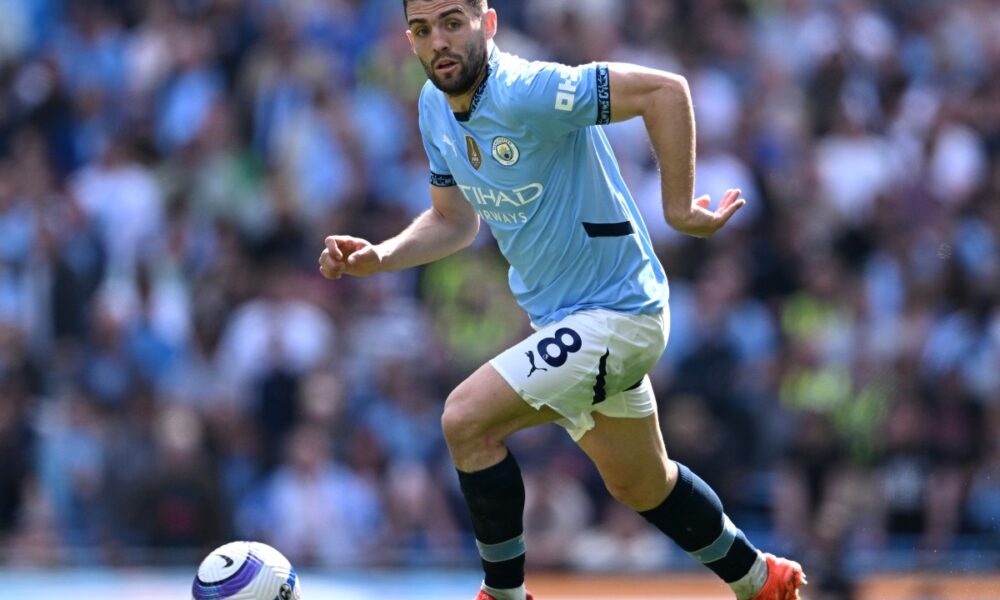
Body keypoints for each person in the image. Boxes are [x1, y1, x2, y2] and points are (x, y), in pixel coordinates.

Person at [319, 1, 806, 599]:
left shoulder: (527, 89)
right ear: (410, 41)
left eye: (453, 22)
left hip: (620, 314)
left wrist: (679, 210)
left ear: (488, 24)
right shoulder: (432, 107)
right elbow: (454, 221)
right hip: (565, 321)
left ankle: (504, 595)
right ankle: (761, 579)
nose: (439, 41)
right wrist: (382, 255)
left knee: (465, 419)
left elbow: (664, 90)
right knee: (641, 483)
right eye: (423, 30)